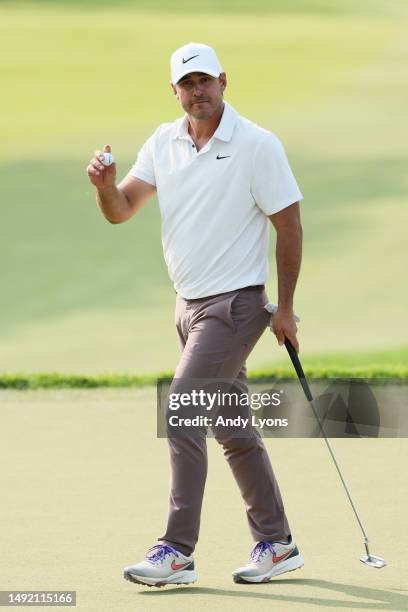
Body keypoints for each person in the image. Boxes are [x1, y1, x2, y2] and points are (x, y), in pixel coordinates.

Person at [87, 42, 304, 587]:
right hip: (187, 308)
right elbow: (122, 211)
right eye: (188, 84)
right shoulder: (164, 142)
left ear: (224, 81)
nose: (198, 91)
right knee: (232, 429)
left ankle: (177, 550)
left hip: (235, 307)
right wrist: (106, 188)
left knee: (182, 409)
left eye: (206, 81)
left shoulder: (256, 144)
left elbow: (290, 225)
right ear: (175, 90)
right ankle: (277, 542)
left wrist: (288, 308)